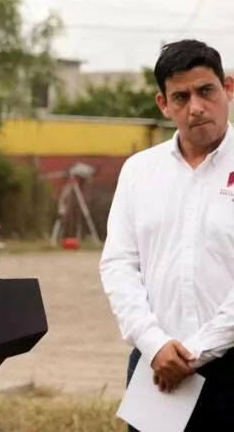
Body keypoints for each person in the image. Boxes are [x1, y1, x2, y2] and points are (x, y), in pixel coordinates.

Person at [99, 39, 234, 430]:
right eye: (181, 97)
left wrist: (196, 350)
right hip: (156, 367)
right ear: (163, 104)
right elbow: (119, 264)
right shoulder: (139, 171)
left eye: (206, 91)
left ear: (227, 88)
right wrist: (154, 343)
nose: (196, 107)